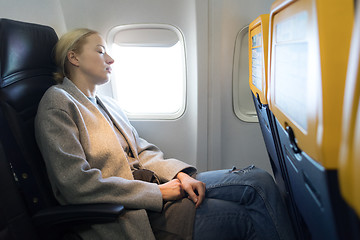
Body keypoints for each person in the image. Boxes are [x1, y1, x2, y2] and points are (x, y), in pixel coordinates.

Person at [35, 28, 296, 240]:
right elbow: (77, 185)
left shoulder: (106, 103)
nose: (111, 59)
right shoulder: (58, 103)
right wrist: (158, 194)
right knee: (244, 217)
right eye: (101, 51)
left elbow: (143, 151)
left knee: (257, 181)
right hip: (127, 211)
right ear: (74, 58)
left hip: (153, 187)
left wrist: (179, 175)